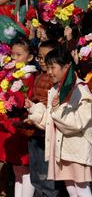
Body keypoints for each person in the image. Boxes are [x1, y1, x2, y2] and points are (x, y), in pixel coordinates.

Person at [27, 46, 92, 197]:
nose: (49, 72)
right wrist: (34, 109)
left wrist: (57, 110)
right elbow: (50, 121)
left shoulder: (80, 89)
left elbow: (77, 124)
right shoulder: (56, 89)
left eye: (52, 67)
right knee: (71, 188)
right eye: (47, 68)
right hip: (62, 149)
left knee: (81, 188)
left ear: (66, 66)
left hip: (77, 149)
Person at [27, 40, 66, 197]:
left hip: (47, 134)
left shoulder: (56, 81)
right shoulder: (39, 76)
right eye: (40, 57)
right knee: (36, 177)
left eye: (46, 58)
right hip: (34, 132)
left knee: (48, 179)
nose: (42, 61)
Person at [0, 39, 37, 197]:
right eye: (12, 54)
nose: (14, 58)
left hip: (21, 126)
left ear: (29, 57)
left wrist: (7, 97)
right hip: (10, 126)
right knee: (16, 170)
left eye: (19, 54)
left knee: (24, 168)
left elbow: (21, 100)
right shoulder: (10, 74)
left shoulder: (27, 75)